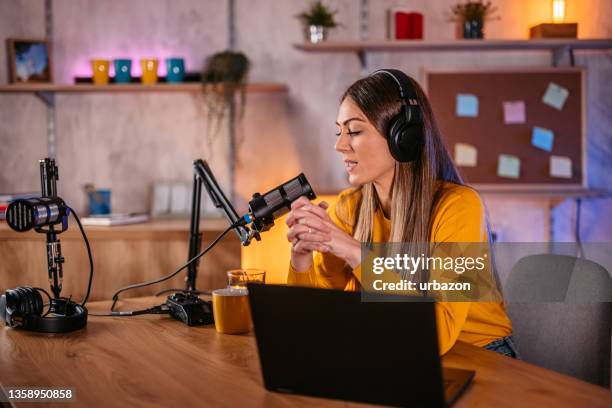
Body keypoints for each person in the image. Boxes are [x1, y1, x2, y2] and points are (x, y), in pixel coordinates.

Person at [285, 69, 519, 358]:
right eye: (339, 131)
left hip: (481, 354)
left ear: (403, 138)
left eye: (354, 131)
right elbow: (313, 315)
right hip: (399, 347)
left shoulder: (459, 207)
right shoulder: (350, 207)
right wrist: (301, 256)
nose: (339, 145)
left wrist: (357, 253)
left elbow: (435, 335)